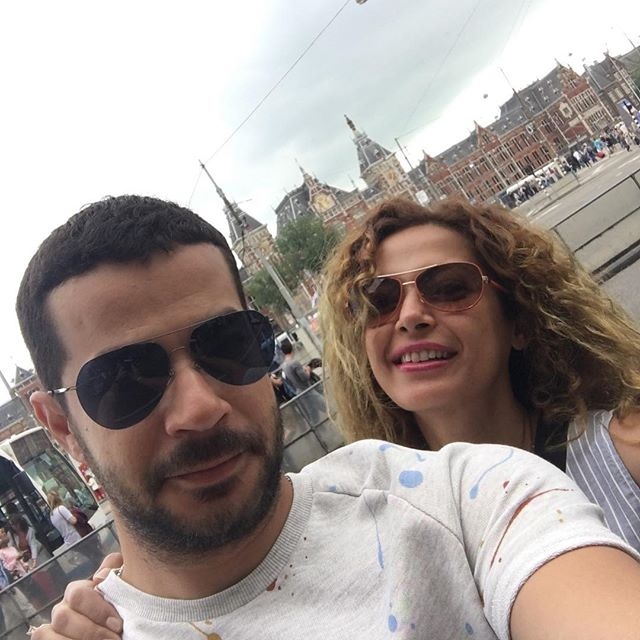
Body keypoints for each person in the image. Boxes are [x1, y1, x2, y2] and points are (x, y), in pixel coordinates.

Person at [18, 195, 640, 640]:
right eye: (125, 380)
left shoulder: (471, 498)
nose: (200, 406)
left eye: (229, 344)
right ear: (61, 425)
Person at [320, 197, 640, 551]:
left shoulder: (625, 453)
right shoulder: (383, 541)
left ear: (518, 323)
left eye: (449, 289)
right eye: (378, 300)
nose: (409, 316)